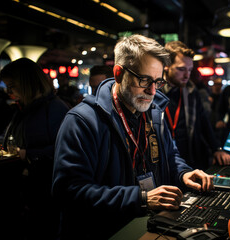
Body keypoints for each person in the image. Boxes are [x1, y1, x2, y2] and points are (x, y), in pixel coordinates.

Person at [52, 34, 214, 240]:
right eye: (144, 80)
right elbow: (69, 192)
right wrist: (140, 198)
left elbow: (170, 156)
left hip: (152, 224)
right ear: (119, 73)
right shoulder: (81, 121)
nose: (152, 91)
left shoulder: (154, 112)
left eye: (158, 81)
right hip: (107, 231)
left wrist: (183, 174)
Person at [0, 58, 69, 240]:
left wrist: (28, 154)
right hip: (28, 193)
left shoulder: (55, 108)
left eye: (12, 86)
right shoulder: (23, 109)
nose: (9, 91)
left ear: (27, 83)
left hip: (47, 194)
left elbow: (65, 151)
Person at [161, 40, 230, 171]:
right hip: (164, 161)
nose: (187, 75)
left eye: (190, 70)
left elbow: (204, 122)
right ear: (166, 66)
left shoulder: (192, 91)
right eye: (181, 69)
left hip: (189, 160)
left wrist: (216, 149)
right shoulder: (154, 93)